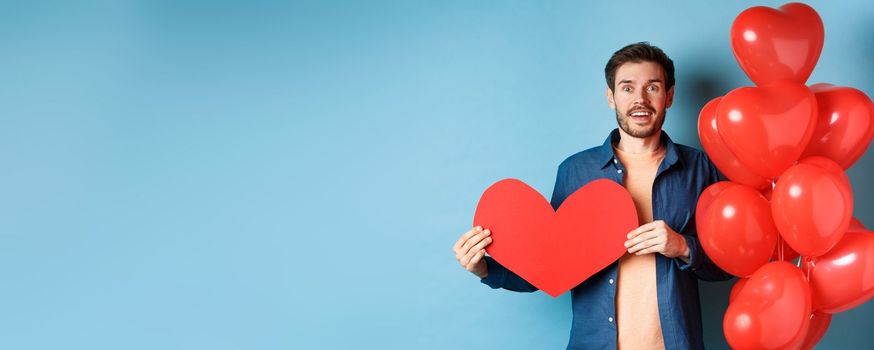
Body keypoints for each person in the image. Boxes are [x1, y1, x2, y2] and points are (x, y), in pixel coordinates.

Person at [452, 42, 732, 349]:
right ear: (611, 97)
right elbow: (547, 268)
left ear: (670, 96)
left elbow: (726, 264)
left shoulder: (699, 168)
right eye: (627, 88)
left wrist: (682, 246)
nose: (640, 99)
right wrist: (485, 269)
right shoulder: (575, 171)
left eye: (652, 87)